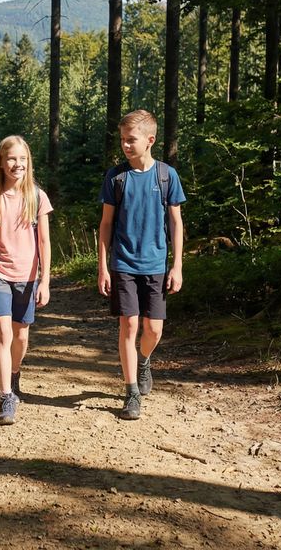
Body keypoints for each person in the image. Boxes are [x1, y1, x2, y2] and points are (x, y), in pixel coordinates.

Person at [97, 110, 186, 420]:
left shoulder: (166, 176)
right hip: (123, 263)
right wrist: (103, 266)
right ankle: (132, 391)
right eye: (122, 139)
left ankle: (144, 360)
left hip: (156, 265)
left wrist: (177, 266)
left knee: (153, 329)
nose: (125, 145)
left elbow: (176, 222)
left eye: (131, 140)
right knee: (129, 324)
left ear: (150, 140)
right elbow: (106, 224)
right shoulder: (116, 177)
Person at [0, 135, 53, 426]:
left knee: (21, 336)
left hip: (27, 276)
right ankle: (6, 397)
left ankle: (14, 373)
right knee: (3, 335)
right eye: (12, 159)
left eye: (23, 159)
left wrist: (45, 281)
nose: (18, 164)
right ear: (1, 163)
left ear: (29, 162)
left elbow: (44, 242)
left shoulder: (37, 197)